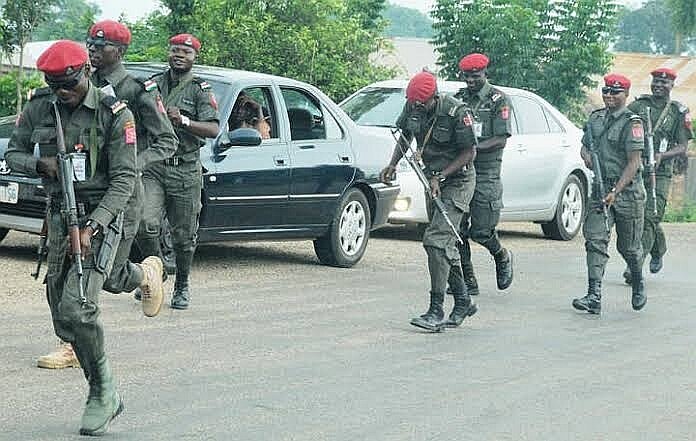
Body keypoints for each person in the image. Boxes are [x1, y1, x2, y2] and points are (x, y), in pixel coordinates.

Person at [5, 40, 164, 435]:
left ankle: (103, 391)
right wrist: (40, 164)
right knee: (63, 305)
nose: (64, 92)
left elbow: (126, 178)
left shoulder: (116, 114)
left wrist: (93, 226)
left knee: (79, 307)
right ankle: (144, 275)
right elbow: (14, 154)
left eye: (70, 84)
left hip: (109, 212)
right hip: (60, 212)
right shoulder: (41, 105)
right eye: (55, 84)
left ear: (86, 73)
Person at [36, 20, 178, 369]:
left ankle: (145, 274)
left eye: (102, 46)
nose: (94, 50)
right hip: (79, 196)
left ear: (120, 51)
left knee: (109, 274)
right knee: (74, 268)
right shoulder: (78, 86)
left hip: (121, 197)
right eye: (91, 44)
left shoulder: (137, 90)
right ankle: (70, 344)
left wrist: (130, 165)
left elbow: (167, 140)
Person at [380, 71, 478, 331]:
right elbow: (405, 135)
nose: (417, 108)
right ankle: (464, 300)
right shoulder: (414, 103)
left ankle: (436, 310)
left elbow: (470, 152)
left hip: (458, 181)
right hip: (430, 180)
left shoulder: (457, 112)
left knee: (435, 241)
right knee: (446, 245)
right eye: (414, 104)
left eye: (421, 104)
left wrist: (442, 177)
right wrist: (392, 164)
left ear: (435, 97)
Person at [136, 33, 220, 310]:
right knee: (145, 223)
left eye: (186, 51)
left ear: (195, 57)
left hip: (185, 170)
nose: (179, 55)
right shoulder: (153, 84)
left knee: (183, 236)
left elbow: (212, 129)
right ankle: (155, 275)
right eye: (175, 50)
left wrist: (183, 120)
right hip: (155, 168)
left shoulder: (200, 89)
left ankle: (182, 284)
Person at [573, 73, 647, 314]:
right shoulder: (595, 119)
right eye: (606, 91)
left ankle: (637, 281)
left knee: (629, 248)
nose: (609, 96)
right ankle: (594, 295)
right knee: (595, 240)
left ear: (626, 95)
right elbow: (585, 146)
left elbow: (634, 162)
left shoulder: (632, 122)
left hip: (627, 193)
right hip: (600, 190)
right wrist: (586, 157)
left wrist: (616, 191)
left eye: (615, 92)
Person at [621, 68, 693, 282]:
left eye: (664, 82)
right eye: (656, 82)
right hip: (637, 169)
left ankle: (634, 265)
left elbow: (682, 146)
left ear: (672, 86)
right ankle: (658, 248)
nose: (659, 86)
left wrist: (663, 155)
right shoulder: (638, 105)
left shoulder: (678, 112)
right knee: (640, 216)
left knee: (651, 215)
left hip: (661, 173)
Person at [451, 53, 513, 297]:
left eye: (475, 76)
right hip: (462, 172)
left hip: (486, 172)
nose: (470, 81)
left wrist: (473, 149)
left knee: (482, 231)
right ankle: (468, 280)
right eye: (467, 76)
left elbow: (501, 139)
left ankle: (502, 255)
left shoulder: (498, 100)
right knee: (457, 229)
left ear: (485, 73)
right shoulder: (459, 99)